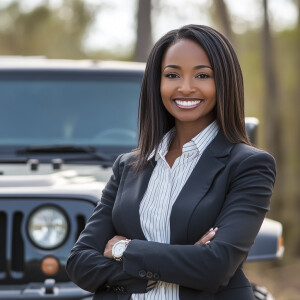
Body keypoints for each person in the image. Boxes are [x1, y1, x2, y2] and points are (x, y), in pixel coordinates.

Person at [66, 24, 276, 300]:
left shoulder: (249, 166)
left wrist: (124, 249)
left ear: (224, 82)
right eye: (172, 75)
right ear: (158, 82)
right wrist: (182, 260)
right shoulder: (127, 166)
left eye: (202, 75)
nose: (185, 87)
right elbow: (80, 264)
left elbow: (215, 267)